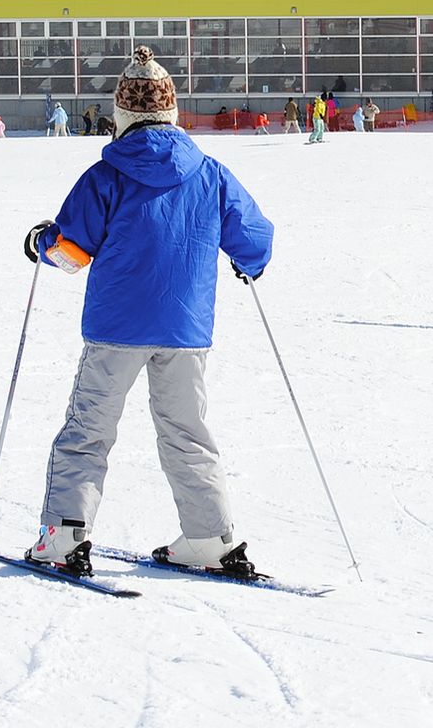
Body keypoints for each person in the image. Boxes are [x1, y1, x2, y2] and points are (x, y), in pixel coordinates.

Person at [21, 46, 276, 578]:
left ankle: (65, 536)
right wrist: (248, 263)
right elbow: (253, 238)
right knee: (187, 432)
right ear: (171, 111)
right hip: (186, 328)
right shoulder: (210, 173)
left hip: (117, 328)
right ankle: (209, 537)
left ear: (123, 115)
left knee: (89, 429)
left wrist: (44, 245)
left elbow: (73, 251)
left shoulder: (106, 175)